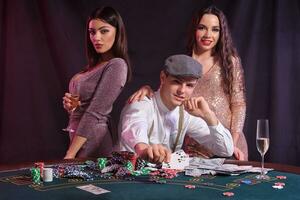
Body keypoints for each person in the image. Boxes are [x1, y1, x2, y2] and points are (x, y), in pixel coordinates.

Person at [128, 6, 247, 160]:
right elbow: (169, 91)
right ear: (194, 30)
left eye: (215, 29)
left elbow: (239, 105)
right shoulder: (183, 61)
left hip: (227, 139)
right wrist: (148, 88)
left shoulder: (229, 62)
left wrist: (233, 142)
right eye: (202, 28)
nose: (208, 35)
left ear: (221, 33)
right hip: (194, 142)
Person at [119, 55, 234, 163]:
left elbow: (226, 150)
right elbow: (135, 128)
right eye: (176, 82)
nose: (182, 91)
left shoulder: (186, 113)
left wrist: (209, 116)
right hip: (125, 176)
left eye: (189, 85)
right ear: (163, 78)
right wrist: (145, 150)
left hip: (159, 180)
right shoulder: (142, 103)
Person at [62, 6, 132, 159]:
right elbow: (83, 109)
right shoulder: (93, 67)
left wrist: (70, 153)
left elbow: (95, 112)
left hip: (95, 143)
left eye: (104, 31)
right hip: (78, 140)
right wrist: (72, 107)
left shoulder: (117, 65)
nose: (96, 37)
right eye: (92, 32)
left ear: (117, 31)